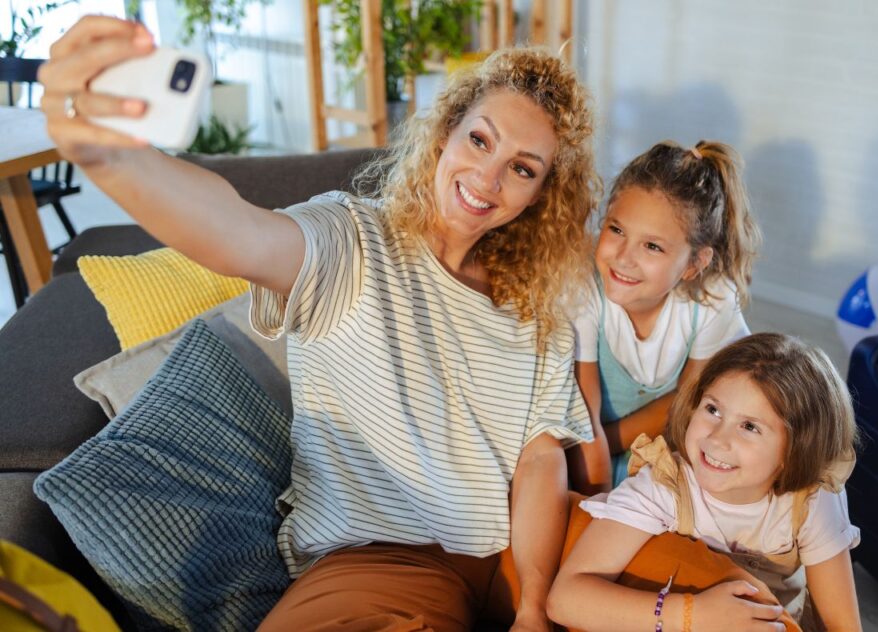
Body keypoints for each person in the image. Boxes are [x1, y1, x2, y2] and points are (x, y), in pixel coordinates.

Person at [39, 17, 601, 631]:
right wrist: (109, 155)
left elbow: (541, 460)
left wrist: (532, 608)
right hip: (384, 560)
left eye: (523, 169)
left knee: (702, 592)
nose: (489, 179)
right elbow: (237, 234)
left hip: (528, 554)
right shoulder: (354, 240)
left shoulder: (537, 306)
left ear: (540, 196)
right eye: (480, 141)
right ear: (445, 135)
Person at [549, 333, 862, 632]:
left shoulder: (811, 500)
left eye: (750, 427)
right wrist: (690, 615)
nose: (717, 438)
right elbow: (565, 599)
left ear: (795, 449)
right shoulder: (664, 486)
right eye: (713, 409)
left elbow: (841, 624)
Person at [567, 140, 762, 493]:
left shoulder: (713, 295)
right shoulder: (583, 284)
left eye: (652, 246)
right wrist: (597, 506)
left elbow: (691, 403)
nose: (623, 257)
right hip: (582, 457)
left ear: (693, 264)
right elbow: (584, 423)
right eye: (616, 230)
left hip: (669, 450)